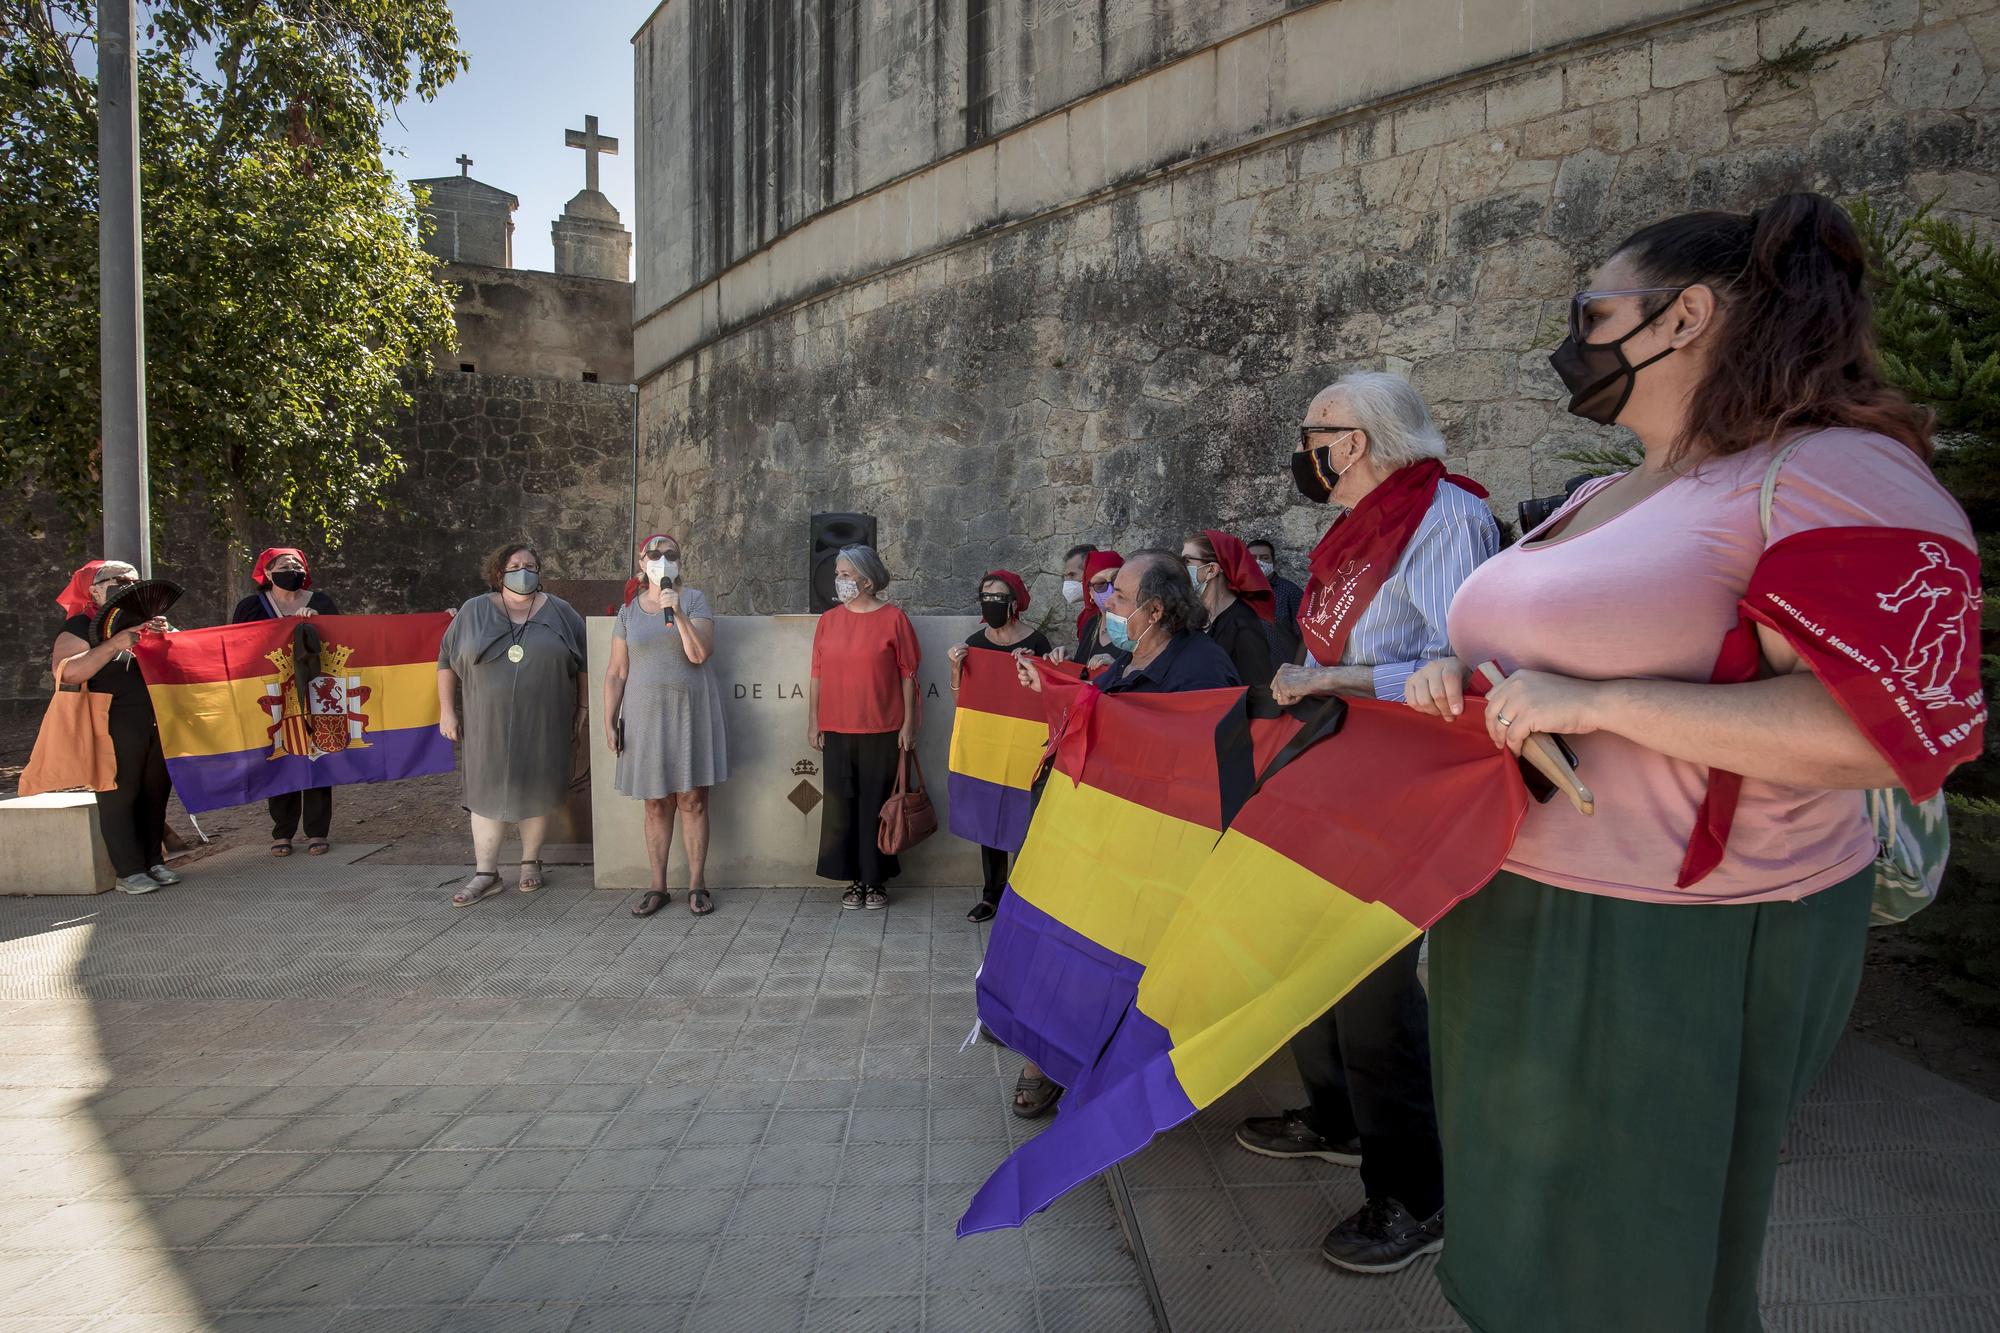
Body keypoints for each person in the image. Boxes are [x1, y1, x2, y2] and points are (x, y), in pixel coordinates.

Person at [1405, 194, 1979, 1332]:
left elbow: (1878, 736)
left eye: (1593, 309)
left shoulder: (1828, 473)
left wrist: (1602, 700)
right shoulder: (1605, 491)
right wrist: (1446, 678)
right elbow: (1534, 655)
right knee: (1524, 1238)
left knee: (1629, 1262)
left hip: (1666, 934)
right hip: (1514, 896)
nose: (1573, 338)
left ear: (1685, 317)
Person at [1234, 370, 1501, 1273]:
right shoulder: (1361, 526)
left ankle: (1415, 1191)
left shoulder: (1446, 517)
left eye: (1314, 434)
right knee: (1307, 948)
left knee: (1374, 984)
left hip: (1402, 772)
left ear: (1353, 443)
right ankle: (1337, 1115)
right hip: (1340, 757)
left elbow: (1458, 670)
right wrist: (1318, 682)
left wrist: (1333, 680)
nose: (1303, 452)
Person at [1009, 550, 1241, 1115]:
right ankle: (1047, 1056)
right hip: (1098, 843)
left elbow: (1209, 770)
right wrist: (1052, 686)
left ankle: (1088, 1073)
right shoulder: (1126, 659)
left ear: (1156, 609)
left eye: (1118, 596)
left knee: (1114, 970)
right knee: (1064, 950)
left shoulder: (1204, 672)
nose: (1105, 603)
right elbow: (1099, 718)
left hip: (1154, 857)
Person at [437, 543, 587, 906]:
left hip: (545, 718)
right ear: (498, 573)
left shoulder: (562, 612)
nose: (524, 571)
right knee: (486, 790)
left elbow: (584, 661)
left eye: (531, 565)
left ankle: (530, 861)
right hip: (486, 721)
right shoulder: (473, 611)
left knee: (537, 785)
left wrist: (582, 705)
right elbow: (445, 660)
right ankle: (486, 872)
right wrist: (447, 710)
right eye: (516, 565)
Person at [605, 533, 727, 918]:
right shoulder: (628, 612)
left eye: (670, 555)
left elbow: (699, 653)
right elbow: (617, 671)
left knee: (693, 799)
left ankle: (696, 883)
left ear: (680, 562)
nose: (661, 560)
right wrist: (609, 721)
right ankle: (658, 885)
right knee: (656, 803)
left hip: (690, 712)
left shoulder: (693, 600)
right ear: (641, 563)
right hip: (644, 716)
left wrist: (679, 613)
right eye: (654, 555)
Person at [49, 561, 178, 894]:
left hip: (156, 720)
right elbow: (69, 672)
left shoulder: (147, 621)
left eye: (133, 580)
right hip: (110, 722)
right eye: (117, 580)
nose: (128, 584)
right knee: (119, 794)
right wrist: (112, 645)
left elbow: (181, 664)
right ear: (93, 590)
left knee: (155, 792)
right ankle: (129, 870)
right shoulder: (80, 626)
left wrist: (171, 638)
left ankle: (154, 861)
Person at [808, 544, 920, 911]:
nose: (838, 580)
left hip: (882, 727)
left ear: (867, 580)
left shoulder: (894, 619)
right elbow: (817, 674)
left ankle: (876, 880)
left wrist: (909, 724)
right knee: (843, 806)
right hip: (837, 727)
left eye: (845, 574)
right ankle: (854, 879)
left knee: (877, 804)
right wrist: (814, 722)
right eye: (838, 574)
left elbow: (908, 675)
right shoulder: (828, 620)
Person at [947, 569, 1055, 924]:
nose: (990, 605)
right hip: (987, 748)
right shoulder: (975, 644)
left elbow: (1050, 693)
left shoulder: (1037, 641)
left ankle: (1021, 899)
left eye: (998, 598)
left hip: (1026, 747)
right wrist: (954, 668)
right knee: (989, 819)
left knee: (1022, 819)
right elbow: (961, 698)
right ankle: (991, 896)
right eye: (985, 598)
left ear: (1014, 603)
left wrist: (1033, 664)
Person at [231, 547, 340, 857]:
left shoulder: (321, 602)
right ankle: (283, 831)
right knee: (281, 754)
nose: (291, 568)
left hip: (317, 690)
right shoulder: (252, 606)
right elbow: (237, 644)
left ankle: (318, 831)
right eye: (283, 564)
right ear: (267, 572)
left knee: (318, 754)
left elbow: (345, 640)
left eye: (296, 563)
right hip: (273, 692)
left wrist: (319, 624)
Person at [1182, 530, 1276, 689]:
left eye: (1186, 561)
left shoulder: (1244, 626)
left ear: (1211, 570)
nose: (1180, 567)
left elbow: (1257, 692)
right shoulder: (1193, 616)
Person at [1246, 538, 1304, 662]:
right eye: (1252, 558)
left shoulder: (1290, 592)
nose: (1258, 562)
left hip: (1281, 671)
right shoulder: (1237, 592)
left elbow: (1305, 637)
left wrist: (1294, 670)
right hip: (1247, 674)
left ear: (1274, 562)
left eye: (1264, 558)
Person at [1073, 549, 1124, 669]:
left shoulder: (1139, 625)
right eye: (1100, 585)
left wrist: (1116, 668)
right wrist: (1065, 663)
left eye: (1116, 580)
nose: (1111, 589)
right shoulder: (1090, 624)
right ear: (1090, 593)